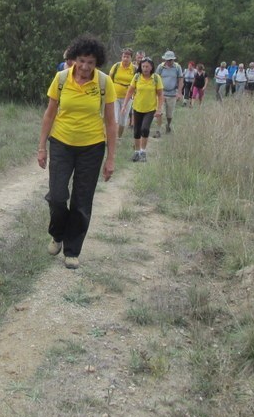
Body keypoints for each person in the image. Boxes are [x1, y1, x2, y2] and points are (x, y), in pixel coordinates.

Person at [37, 35, 117, 270]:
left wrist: (110, 158)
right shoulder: (61, 79)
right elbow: (49, 114)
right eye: (81, 61)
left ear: (97, 63)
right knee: (58, 195)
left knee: (82, 200)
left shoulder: (104, 83)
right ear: (74, 59)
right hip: (61, 143)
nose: (84, 67)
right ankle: (57, 234)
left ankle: (72, 250)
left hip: (92, 147)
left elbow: (111, 123)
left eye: (90, 62)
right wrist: (42, 147)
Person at [121, 57, 163, 163]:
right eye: (143, 66)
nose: (145, 68)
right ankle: (136, 152)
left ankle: (143, 152)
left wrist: (159, 109)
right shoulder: (136, 77)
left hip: (150, 108)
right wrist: (124, 105)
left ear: (151, 67)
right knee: (136, 131)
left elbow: (160, 94)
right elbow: (130, 92)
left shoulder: (156, 78)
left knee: (144, 129)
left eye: (147, 66)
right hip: (137, 107)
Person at [108, 48, 136, 139]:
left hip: (127, 97)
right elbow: (109, 78)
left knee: (123, 120)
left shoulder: (134, 69)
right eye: (124, 56)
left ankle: (119, 137)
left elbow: (137, 82)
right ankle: (113, 138)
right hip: (115, 95)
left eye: (127, 57)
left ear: (131, 58)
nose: (125, 59)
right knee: (115, 118)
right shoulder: (116, 66)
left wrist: (135, 95)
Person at [154, 50, 183, 136]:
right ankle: (158, 130)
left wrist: (179, 93)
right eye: (167, 60)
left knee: (169, 114)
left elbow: (180, 79)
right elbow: (155, 79)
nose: (168, 61)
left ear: (173, 60)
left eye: (170, 60)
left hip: (172, 93)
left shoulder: (177, 67)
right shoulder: (160, 67)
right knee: (159, 112)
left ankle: (168, 125)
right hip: (161, 93)